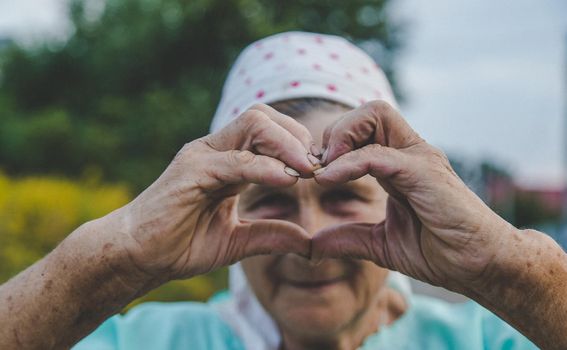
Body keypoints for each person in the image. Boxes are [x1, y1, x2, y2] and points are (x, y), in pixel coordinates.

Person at [0, 31, 566, 350]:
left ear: (397, 200)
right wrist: (115, 257)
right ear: (222, 206)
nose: (310, 238)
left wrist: (508, 269)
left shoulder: (488, 341)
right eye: (269, 196)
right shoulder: (152, 342)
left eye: (345, 194)